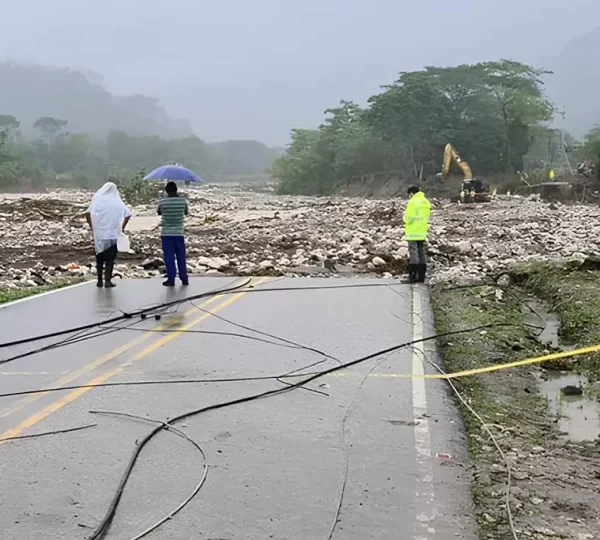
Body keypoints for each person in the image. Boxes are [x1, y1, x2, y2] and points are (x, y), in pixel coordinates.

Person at [85, 182, 132, 288]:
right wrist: (122, 227)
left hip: (99, 235)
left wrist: (92, 226)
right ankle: (107, 281)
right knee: (110, 259)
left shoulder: (97, 201)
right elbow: (128, 214)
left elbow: (87, 213)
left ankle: (99, 281)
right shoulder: (117, 202)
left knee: (99, 258)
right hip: (112, 235)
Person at [158, 181, 189, 286]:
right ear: (176, 190)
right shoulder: (183, 201)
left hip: (166, 233)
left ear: (166, 191)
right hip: (179, 233)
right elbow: (186, 212)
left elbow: (159, 212)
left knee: (169, 257)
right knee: (181, 257)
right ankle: (184, 278)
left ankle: (171, 279)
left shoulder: (162, 202)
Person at [403, 185, 431, 283]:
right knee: (421, 252)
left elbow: (409, 218)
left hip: (413, 232)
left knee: (413, 252)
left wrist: (404, 218)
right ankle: (421, 277)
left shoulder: (412, 202)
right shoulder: (425, 202)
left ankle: (413, 276)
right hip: (422, 231)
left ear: (411, 193)